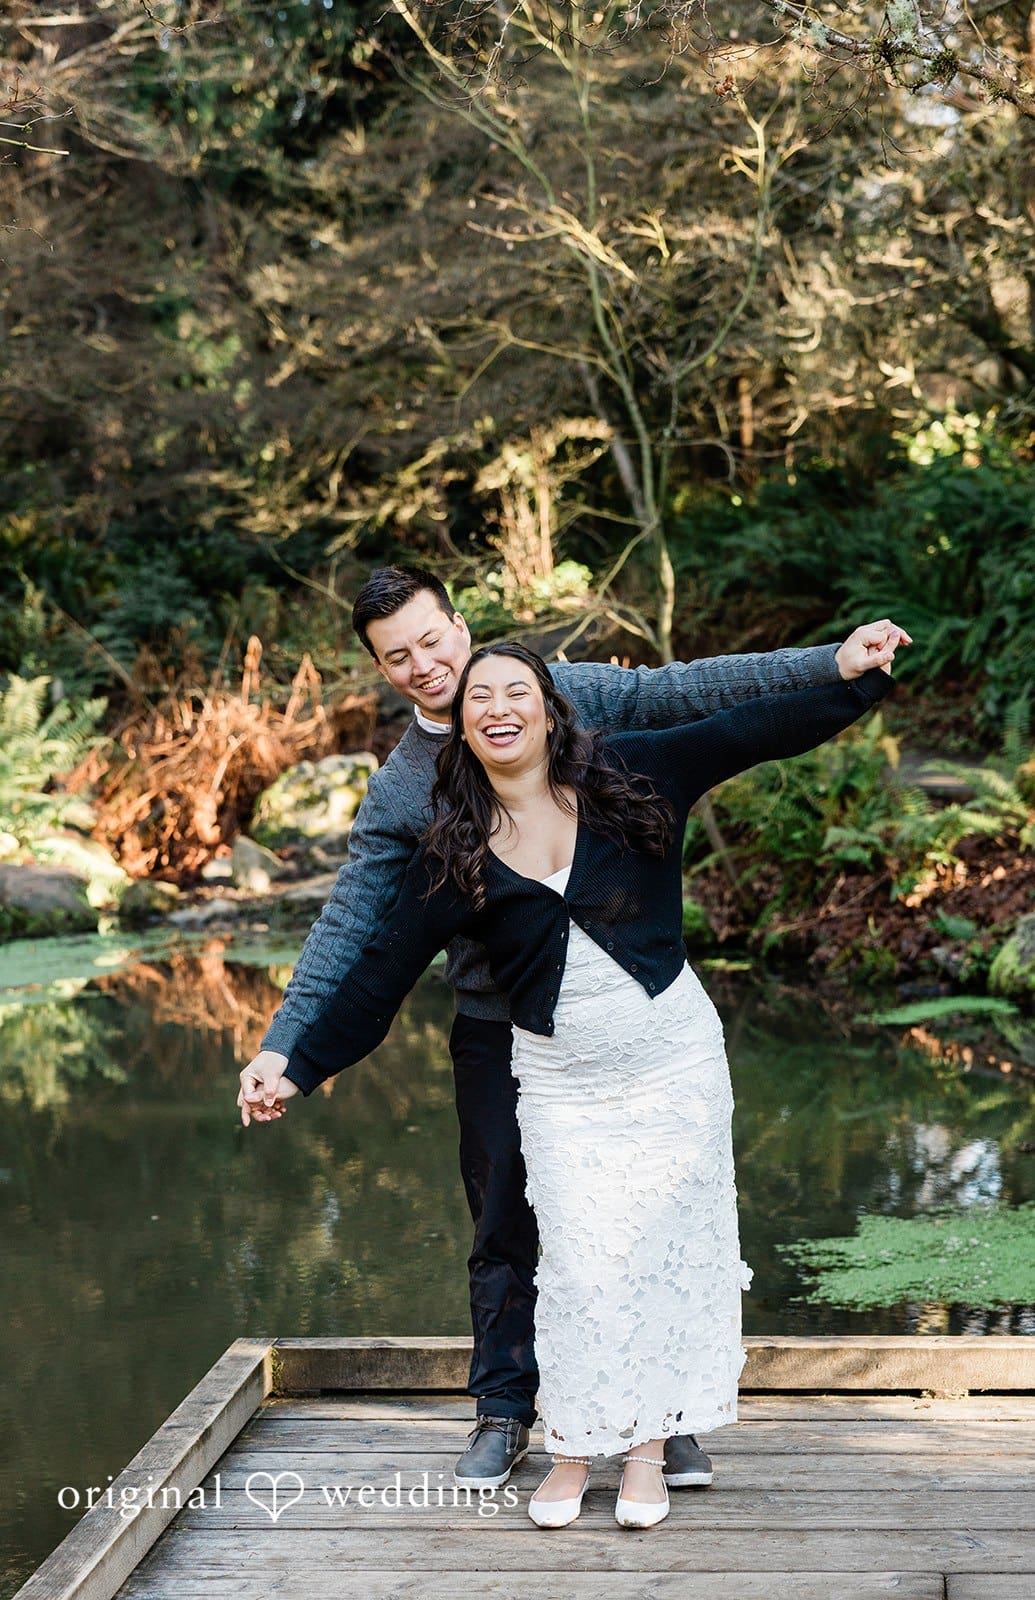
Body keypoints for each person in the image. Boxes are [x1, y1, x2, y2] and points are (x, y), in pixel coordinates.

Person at [238, 563, 909, 1493]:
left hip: (629, 1008)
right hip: (500, 1023)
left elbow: (696, 699)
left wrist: (829, 665)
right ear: (381, 669)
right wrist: (285, 1048)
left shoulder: (570, 693)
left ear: (460, 627)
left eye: (433, 641)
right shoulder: (405, 793)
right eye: (398, 658)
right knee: (509, 1218)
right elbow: (358, 933)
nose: (424, 665)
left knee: (652, 1215)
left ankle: (662, 1412)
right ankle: (507, 1408)